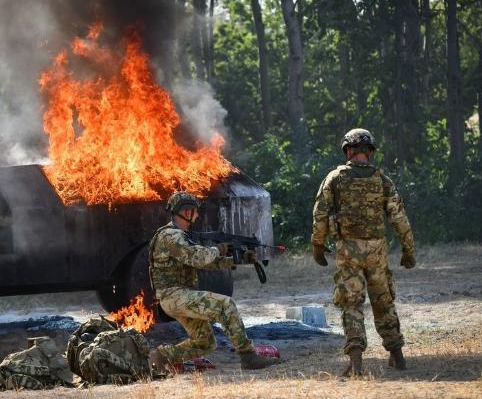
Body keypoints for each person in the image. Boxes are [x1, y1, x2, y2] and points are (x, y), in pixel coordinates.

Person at [311, 128, 416, 376]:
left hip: (348, 250)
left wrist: (317, 245)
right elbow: (399, 217)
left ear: (348, 150)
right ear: (369, 152)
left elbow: (320, 215)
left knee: (352, 303)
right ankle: (397, 355)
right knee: (383, 300)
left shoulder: (335, 178)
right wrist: (408, 250)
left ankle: (357, 363)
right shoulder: (382, 179)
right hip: (377, 249)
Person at [147, 192, 280, 372]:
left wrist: (236, 260)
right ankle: (248, 356)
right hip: (175, 297)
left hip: (177, 297)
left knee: (205, 343)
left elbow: (207, 263)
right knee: (226, 305)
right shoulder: (171, 236)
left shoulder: (180, 235)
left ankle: (162, 356)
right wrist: (220, 247)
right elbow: (200, 258)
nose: (197, 215)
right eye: (195, 211)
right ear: (186, 212)